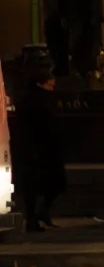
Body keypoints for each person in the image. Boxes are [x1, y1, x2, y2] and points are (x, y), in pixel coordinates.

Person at [11, 68, 65, 232]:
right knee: (41, 184)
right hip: (38, 148)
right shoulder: (36, 101)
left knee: (37, 186)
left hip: (35, 148)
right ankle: (35, 217)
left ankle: (37, 215)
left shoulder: (32, 99)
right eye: (50, 84)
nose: (53, 87)